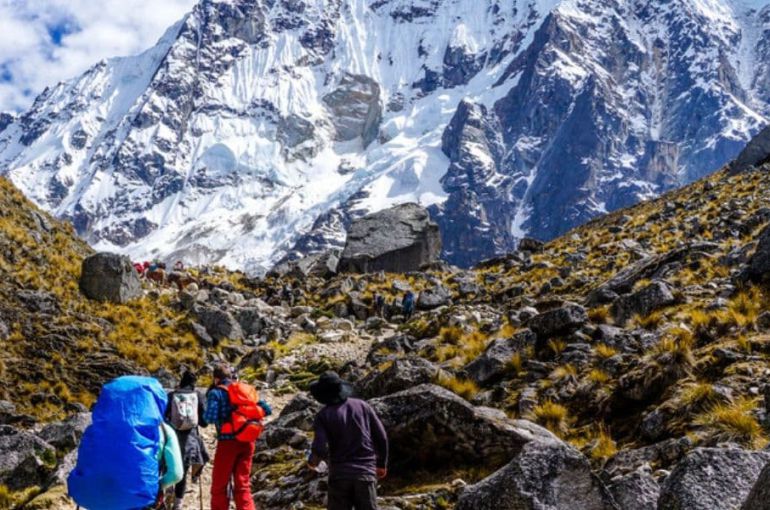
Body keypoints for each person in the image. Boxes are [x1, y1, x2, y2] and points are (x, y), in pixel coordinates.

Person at [308, 372, 389, 510]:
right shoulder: (363, 406)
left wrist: (312, 462)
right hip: (366, 472)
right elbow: (381, 437)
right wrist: (381, 464)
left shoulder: (323, 416)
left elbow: (320, 447)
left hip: (340, 475)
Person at [204, 364, 272, 510]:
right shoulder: (245, 391)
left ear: (216, 379)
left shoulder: (216, 393)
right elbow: (267, 410)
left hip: (227, 443)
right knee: (243, 485)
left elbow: (209, 417)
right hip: (248, 441)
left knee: (219, 486)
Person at [165, 370, 209, 510]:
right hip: (190, 439)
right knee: (183, 469)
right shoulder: (198, 396)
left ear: (181, 381)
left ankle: (166, 493)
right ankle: (178, 503)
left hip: (172, 436)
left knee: (168, 465)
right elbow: (204, 423)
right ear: (194, 383)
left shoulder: (171, 395)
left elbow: (164, 417)